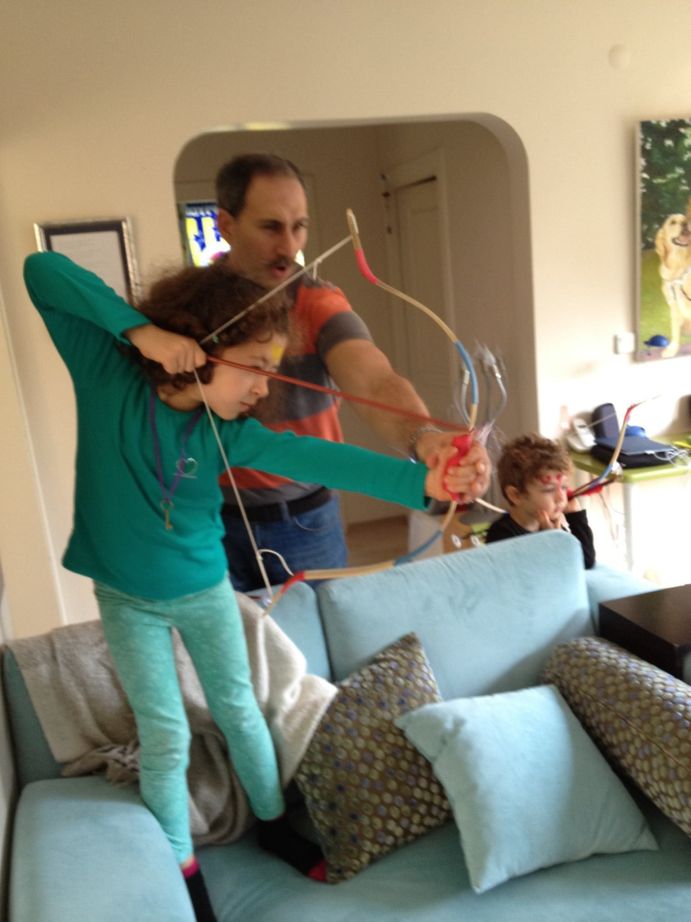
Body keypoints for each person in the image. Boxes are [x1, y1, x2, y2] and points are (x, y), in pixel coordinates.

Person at [24, 250, 474, 922]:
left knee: (240, 710)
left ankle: (272, 825)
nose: (264, 387)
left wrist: (425, 485)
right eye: (257, 366)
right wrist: (143, 334)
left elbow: (318, 457)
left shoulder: (228, 432)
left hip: (205, 589)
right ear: (205, 344)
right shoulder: (105, 371)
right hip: (126, 600)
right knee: (164, 734)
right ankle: (182, 868)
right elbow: (41, 271)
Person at [213, 152, 491, 591]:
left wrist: (425, 438)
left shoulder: (318, 303)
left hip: (305, 522)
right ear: (226, 225)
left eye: (299, 226)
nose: (289, 246)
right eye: (271, 227)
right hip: (209, 522)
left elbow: (374, 380)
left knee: (324, 634)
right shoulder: (193, 308)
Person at [484, 433, 596, 568]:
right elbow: (536, 574)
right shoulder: (501, 535)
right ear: (516, 495)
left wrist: (576, 518)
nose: (561, 498)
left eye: (564, 487)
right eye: (549, 490)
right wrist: (551, 541)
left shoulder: (551, 524)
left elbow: (586, 561)